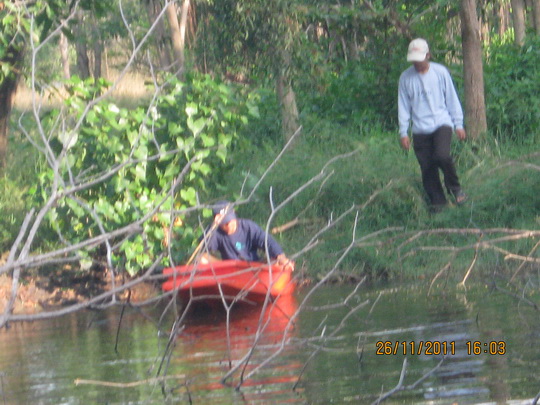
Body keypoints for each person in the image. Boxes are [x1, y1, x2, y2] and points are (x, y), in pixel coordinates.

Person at [398, 38, 468, 212]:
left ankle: (455, 188)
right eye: (414, 59)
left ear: (428, 55)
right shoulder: (406, 78)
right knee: (427, 167)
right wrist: (403, 132)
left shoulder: (440, 72)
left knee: (442, 155)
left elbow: (452, 98)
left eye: (420, 59)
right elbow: (404, 106)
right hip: (420, 129)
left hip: (441, 123)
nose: (417, 63)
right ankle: (439, 203)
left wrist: (458, 124)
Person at [199, 201, 294, 271]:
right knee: (201, 259)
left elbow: (267, 241)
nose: (229, 225)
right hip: (229, 269)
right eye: (225, 223)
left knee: (277, 262)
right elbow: (202, 249)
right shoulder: (215, 232)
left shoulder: (248, 226)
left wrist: (281, 257)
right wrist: (212, 228)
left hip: (253, 266)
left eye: (230, 221)